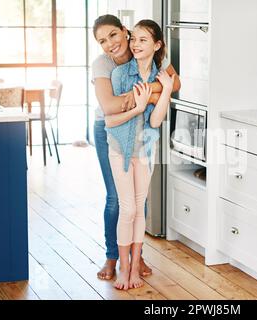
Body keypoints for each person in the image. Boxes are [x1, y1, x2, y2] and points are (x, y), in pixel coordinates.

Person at [91, 15, 180, 281]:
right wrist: (140, 98)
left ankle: (136, 258)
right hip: (109, 129)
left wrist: (151, 89)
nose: (110, 44)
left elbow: (174, 83)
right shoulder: (103, 65)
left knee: (137, 200)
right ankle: (112, 257)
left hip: (143, 131)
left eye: (113, 35)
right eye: (102, 41)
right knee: (116, 199)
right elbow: (108, 107)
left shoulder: (143, 47)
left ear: (124, 31)